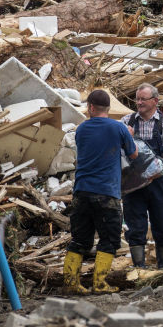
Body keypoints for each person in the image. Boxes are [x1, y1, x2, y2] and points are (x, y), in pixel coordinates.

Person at [64, 89, 138, 294]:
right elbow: (133, 155)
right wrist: (129, 135)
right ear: (108, 108)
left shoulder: (81, 129)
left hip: (81, 192)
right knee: (110, 239)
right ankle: (100, 283)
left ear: (90, 107)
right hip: (107, 194)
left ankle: (71, 283)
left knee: (80, 239)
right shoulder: (119, 128)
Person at [122, 83, 163, 269]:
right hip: (133, 183)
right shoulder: (126, 122)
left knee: (162, 222)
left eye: (143, 99)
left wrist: (160, 169)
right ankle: (139, 268)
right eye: (137, 99)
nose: (139, 103)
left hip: (158, 181)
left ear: (155, 101)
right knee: (135, 224)